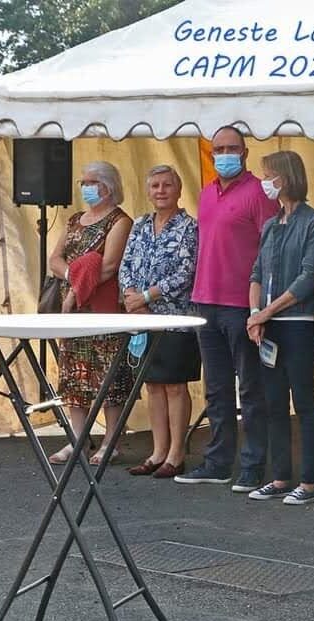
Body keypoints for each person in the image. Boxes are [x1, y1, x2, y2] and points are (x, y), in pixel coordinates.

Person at [175, 126, 278, 489]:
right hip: (206, 301)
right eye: (218, 149)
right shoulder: (205, 194)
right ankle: (217, 462)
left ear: (245, 153)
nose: (224, 155)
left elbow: (271, 252)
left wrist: (260, 308)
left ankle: (253, 465)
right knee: (216, 389)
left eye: (231, 148)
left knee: (251, 389)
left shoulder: (260, 194)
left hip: (241, 305)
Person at [245, 151, 314, 505]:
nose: (264, 182)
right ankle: (280, 476)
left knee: (303, 398)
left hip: (298, 323)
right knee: (274, 401)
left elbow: (308, 279)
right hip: (269, 324)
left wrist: (265, 313)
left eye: (269, 175)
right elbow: (255, 273)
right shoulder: (270, 224)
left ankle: (310, 480)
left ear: (285, 177)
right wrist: (255, 312)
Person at [47, 161, 134, 466]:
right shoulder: (74, 220)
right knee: (74, 374)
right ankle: (77, 439)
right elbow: (55, 259)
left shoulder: (119, 221)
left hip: (102, 309)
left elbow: (109, 265)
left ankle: (111, 441)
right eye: (83, 181)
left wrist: (76, 281)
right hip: (72, 307)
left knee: (108, 375)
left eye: (91, 181)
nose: (85, 187)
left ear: (107, 186)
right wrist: (76, 278)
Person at [119, 164, 200, 480]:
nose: (161, 191)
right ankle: (157, 451)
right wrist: (130, 296)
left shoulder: (189, 227)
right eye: (155, 186)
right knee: (152, 385)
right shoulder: (139, 225)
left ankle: (177, 453)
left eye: (167, 185)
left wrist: (147, 296)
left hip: (175, 318)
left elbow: (186, 271)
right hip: (140, 318)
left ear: (178, 190)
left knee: (174, 386)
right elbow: (125, 264)